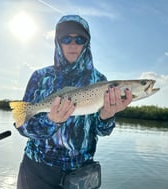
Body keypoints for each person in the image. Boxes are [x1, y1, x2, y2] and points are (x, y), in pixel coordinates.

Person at [15, 15, 132, 189]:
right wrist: (50, 121)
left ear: (87, 44)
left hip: (81, 175)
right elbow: (23, 127)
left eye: (79, 39)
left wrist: (107, 116)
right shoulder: (40, 77)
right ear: (57, 42)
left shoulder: (100, 81)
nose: (72, 44)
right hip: (37, 171)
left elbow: (102, 131)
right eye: (66, 38)